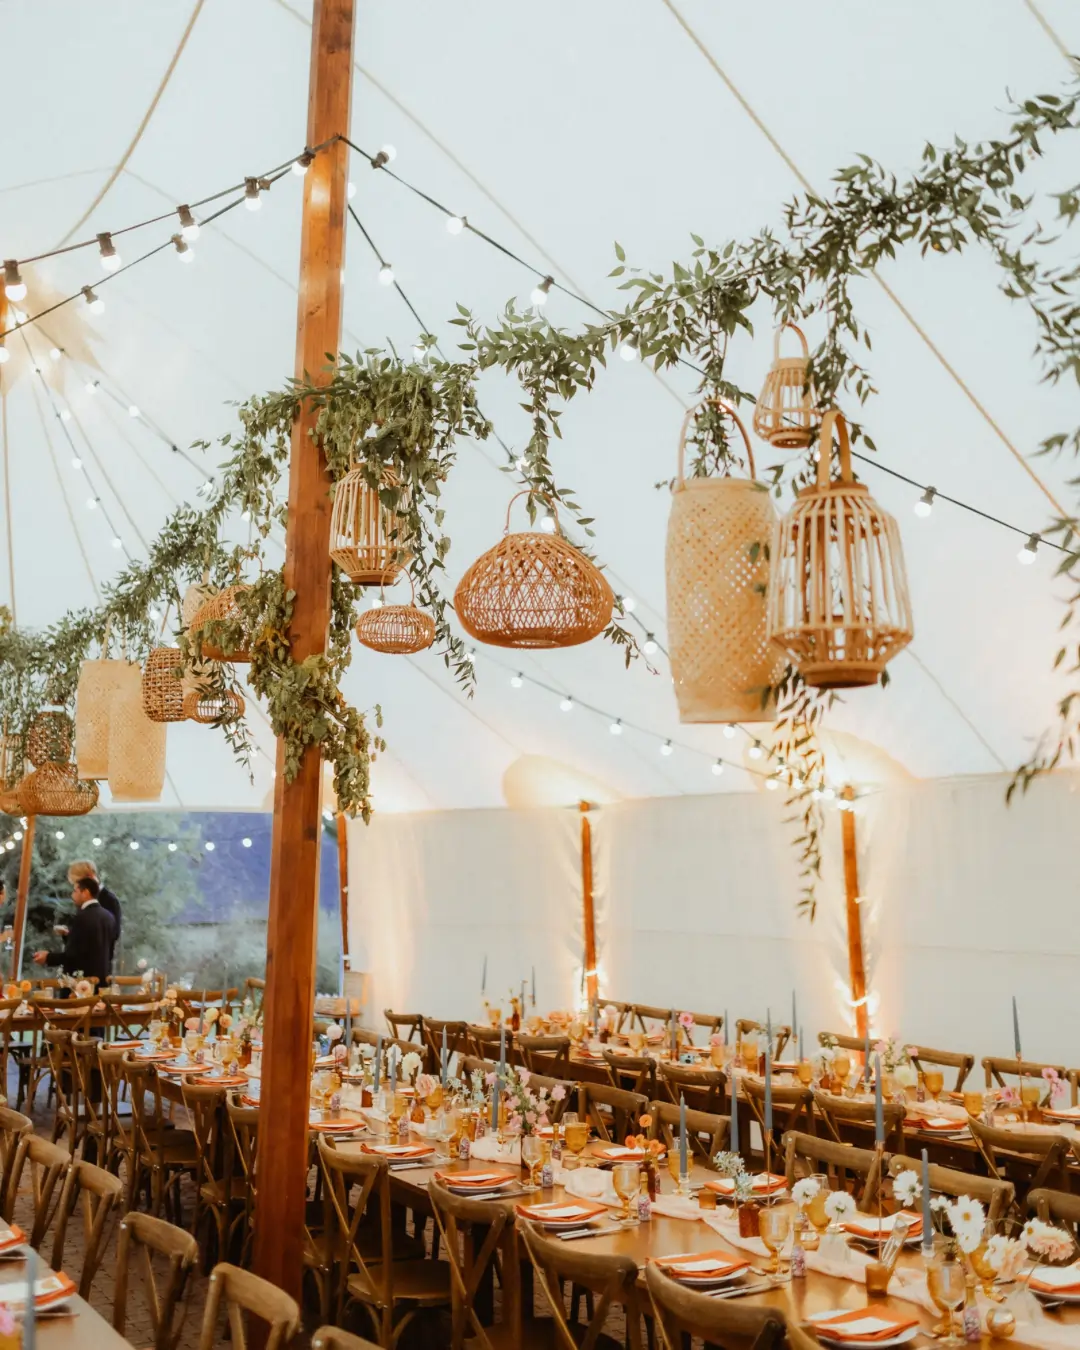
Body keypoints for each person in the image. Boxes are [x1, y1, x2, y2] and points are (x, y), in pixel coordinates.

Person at [32, 875, 115, 988]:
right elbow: (95, 948)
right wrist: (68, 936)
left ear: (85, 892)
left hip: (81, 984)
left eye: (75, 891)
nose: (72, 895)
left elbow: (73, 956)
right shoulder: (109, 917)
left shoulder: (82, 917)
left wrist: (48, 957)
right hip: (102, 980)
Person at [67, 861, 120, 964]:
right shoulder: (82, 901)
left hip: (98, 963)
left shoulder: (110, 900)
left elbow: (114, 933)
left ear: (90, 877)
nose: (76, 888)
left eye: (78, 883)